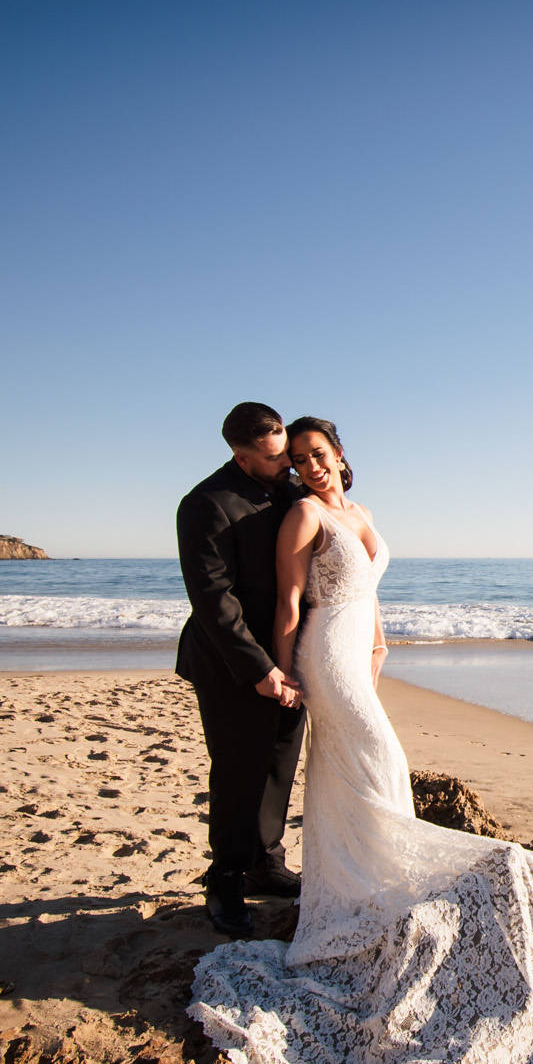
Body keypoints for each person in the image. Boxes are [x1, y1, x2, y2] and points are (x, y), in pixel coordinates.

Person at [188, 417, 533, 1064]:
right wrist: (283, 674)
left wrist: (382, 638)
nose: (309, 466)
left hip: (357, 645)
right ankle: (297, 877)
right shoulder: (292, 511)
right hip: (319, 655)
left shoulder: (351, 509)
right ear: (259, 455)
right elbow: (288, 602)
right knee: (373, 759)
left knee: (349, 771)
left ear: (341, 456)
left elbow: (364, 581)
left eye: (318, 454)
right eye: (296, 458)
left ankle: (340, 872)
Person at [176, 401, 306, 937]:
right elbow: (212, 597)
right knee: (238, 769)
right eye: (275, 458)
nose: (287, 464)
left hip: (293, 654)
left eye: (286, 453)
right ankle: (225, 876)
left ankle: (266, 862)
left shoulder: (294, 489)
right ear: (241, 454)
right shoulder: (205, 503)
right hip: (230, 660)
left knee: (279, 761)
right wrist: (257, 666)